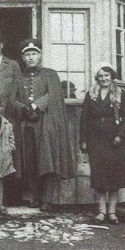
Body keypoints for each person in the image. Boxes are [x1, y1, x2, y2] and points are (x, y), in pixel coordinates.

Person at [12, 38, 75, 211]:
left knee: (47, 161)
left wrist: (36, 106)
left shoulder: (50, 74)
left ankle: (48, 199)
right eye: (27, 55)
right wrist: (23, 108)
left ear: (39, 55)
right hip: (27, 125)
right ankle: (36, 196)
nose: (31, 57)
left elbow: (54, 95)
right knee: (30, 161)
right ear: (23, 58)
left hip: (46, 126)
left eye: (34, 54)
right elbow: (13, 99)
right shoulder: (19, 78)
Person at [79, 63, 125, 224]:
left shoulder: (120, 93)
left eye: (106, 75)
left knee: (114, 176)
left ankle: (112, 212)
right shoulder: (91, 94)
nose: (103, 79)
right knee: (99, 176)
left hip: (114, 139)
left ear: (112, 76)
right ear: (97, 78)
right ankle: (101, 211)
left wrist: (120, 135)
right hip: (95, 139)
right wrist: (83, 140)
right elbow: (84, 118)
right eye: (100, 76)